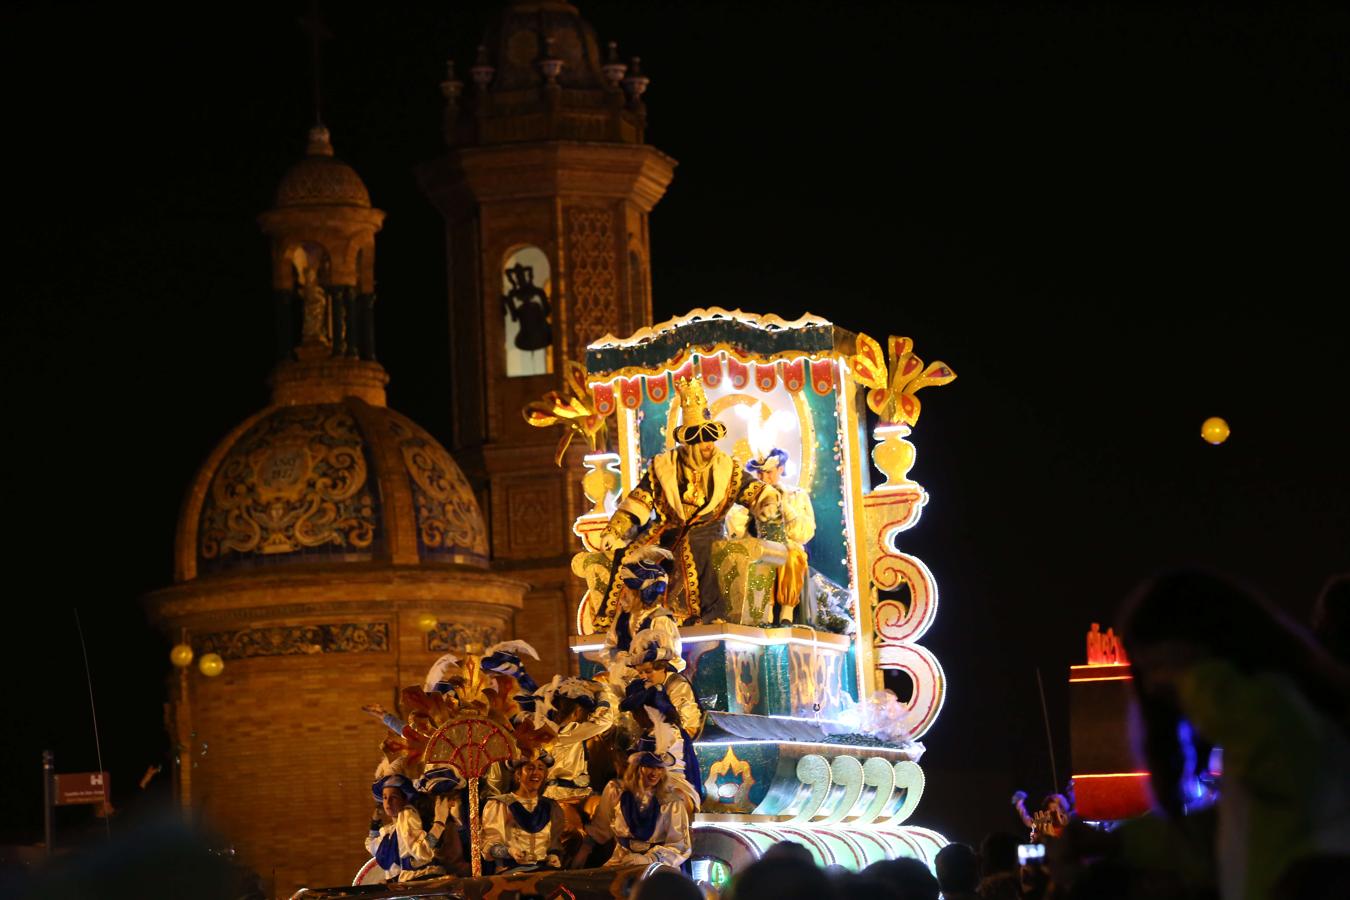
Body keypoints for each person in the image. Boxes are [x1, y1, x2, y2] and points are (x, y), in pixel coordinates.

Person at [1119, 569, 1350, 900]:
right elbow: (1231, 832)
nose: (1157, 689)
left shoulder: (1272, 716)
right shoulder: (1280, 715)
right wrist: (1119, 842)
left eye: (1161, 671)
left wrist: (1194, 681)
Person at [600, 376, 779, 623]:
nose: (708, 445)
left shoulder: (727, 468)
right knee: (629, 555)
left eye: (710, 438)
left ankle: (704, 616)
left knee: (701, 550)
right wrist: (615, 530)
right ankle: (630, 620)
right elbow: (639, 500)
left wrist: (767, 502)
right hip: (667, 531)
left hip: (708, 532)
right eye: (701, 438)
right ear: (689, 443)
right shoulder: (664, 467)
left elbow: (755, 490)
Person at [621, 628, 705, 804]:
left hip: (672, 760)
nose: (644, 676)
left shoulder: (676, 685)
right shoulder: (640, 687)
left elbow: (690, 727)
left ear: (662, 667)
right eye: (640, 672)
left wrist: (657, 747)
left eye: (648, 671)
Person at [577, 751, 693, 869]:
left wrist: (649, 859)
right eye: (649, 767)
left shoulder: (671, 801)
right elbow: (600, 829)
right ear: (636, 767)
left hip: (658, 865)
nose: (655, 773)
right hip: (621, 860)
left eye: (659, 768)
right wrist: (582, 853)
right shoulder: (616, 791)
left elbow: (680, 846)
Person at [745, 448, 815, 625]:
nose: (763, 478)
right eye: (759, 473)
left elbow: (805, 533)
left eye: (768, 472)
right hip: (759, 548)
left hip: (788, 548)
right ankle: (763, 614)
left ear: (780, 470)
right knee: (756, 561)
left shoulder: (797, 496)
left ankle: (786, 612)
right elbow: (736, 531)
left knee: (791, 556)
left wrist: (785, 507)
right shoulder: (747, 498)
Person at [604, 546, 681, 681]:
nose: (624, 593)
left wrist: (646, 667)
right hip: (624, 684)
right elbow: (609, 648)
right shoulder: (622, 617)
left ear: (643, 593)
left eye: (629, 589)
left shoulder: (660, 619)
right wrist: (617, 658)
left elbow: (674, 660)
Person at [481, 754, 566, 873]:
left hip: (544, 870)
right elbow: (489, 846)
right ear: (518, 775)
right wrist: (509, 851)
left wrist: (553, 856)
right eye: (530, 768)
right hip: (511, 870)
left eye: (540, 768)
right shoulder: (500, 804)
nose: (536, 773)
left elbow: (554, 844)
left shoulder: (551, 806)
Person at [366, 771, 455, 883]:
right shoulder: (391, 831)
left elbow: (422, 850)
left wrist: (439, 823)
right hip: (406, 882)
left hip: (421, 878)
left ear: (404, 800)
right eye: (384, 797)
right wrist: (375, 822)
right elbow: (372, 845)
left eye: (393, 797)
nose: (388, 803)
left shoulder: (407, 815)